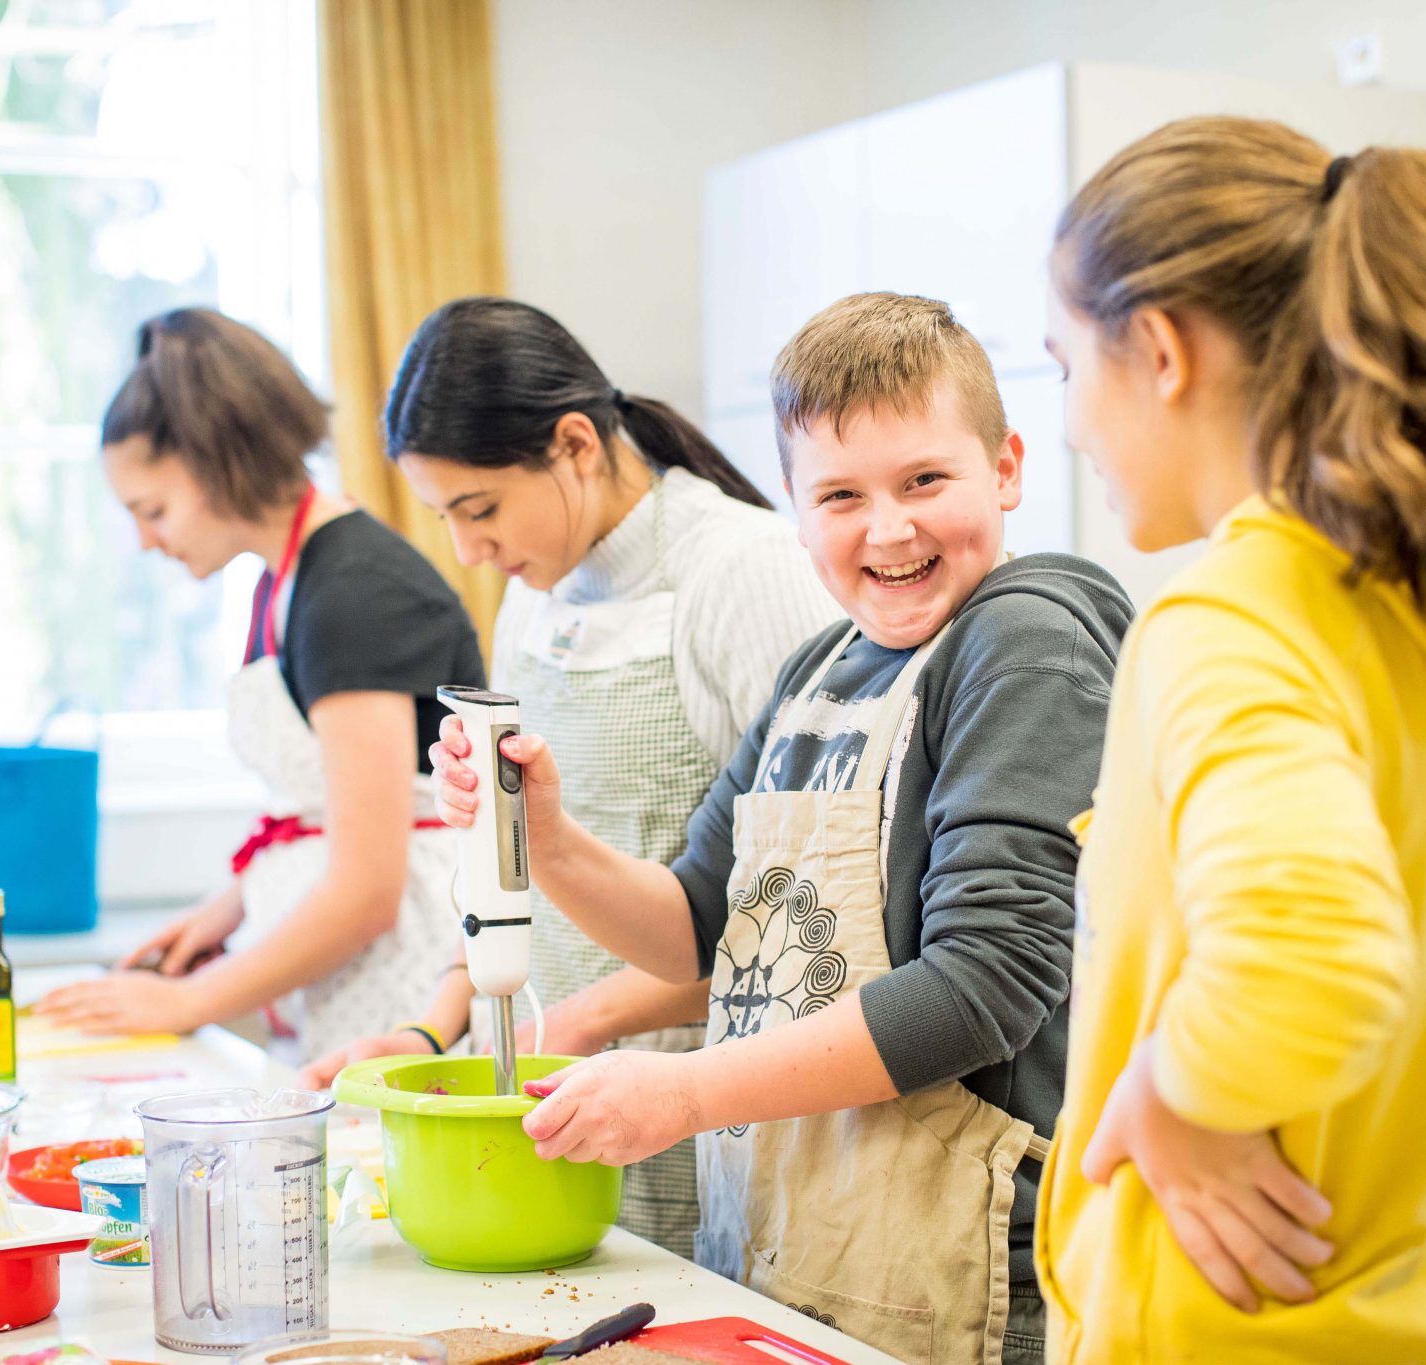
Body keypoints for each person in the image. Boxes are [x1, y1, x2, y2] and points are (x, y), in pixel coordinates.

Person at [1033, 117, 1426, 1363]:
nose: (1069, 425)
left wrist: (1169, 1094)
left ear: (1156, 351)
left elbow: (1308, 948)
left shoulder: (1236, 618)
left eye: (1061, 367)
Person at [430, 292, 1130, 1363]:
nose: (887, 528)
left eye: (924, 481)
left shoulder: (1023, 644)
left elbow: (984, 985)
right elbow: (697, 931)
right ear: (796, 510)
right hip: (806, 1242)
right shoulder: (821, 670)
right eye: (840, 494)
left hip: (966, 1270)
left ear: (1006, 469)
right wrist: (550, 839)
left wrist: (684, 1093)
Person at [299, 296, 840, 1258]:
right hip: (546, 1100)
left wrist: (586, 1019)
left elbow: (806, 917)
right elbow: (507, 870)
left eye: (481, 510)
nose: (468, 550)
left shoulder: (741, 572)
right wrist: (434, 1033)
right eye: (447, 518)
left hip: (692, 1120)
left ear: (577, 443)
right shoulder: (534, 595)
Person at [37, 308, 483, 1061]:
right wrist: (224, 913)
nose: (147, 539)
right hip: (364, 977)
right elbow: (328, 809)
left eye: (154, 510)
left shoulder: (353, 594)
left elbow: (367, 889)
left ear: (218, 462)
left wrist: (181, 1002)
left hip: (413, 982)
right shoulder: (288, 579)